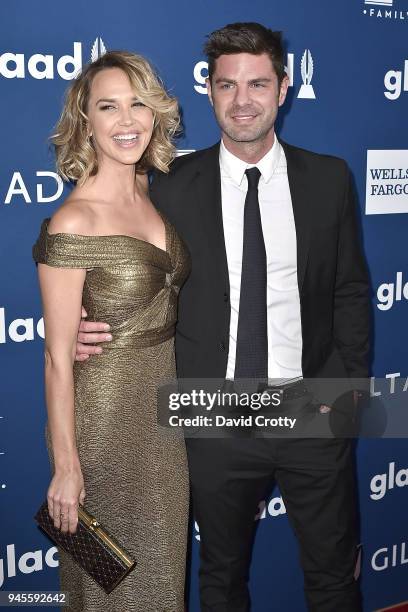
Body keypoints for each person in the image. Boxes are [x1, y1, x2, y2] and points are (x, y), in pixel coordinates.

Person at [75, 23, 370, 612]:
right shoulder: (169, 188)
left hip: (310, 406)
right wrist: (89, 323)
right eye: (226, 84)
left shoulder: (329, 178)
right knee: (220, 576)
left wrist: (347, 391)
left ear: (284, 88)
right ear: (208, 92)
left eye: (258, 83)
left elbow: (351, 291)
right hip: (213, 413)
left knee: (335, 576)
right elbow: (120, 262)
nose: (243, 100)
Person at [33, 51, 190, 612]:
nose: (127, 121)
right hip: (100, 428)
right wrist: (67, 467)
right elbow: (57, 357)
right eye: (109, 107)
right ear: (85, 120)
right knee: (105, 589)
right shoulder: (72, 220)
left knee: (160, 581)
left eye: (138, 104)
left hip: (162, 429)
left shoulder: (152, 189)